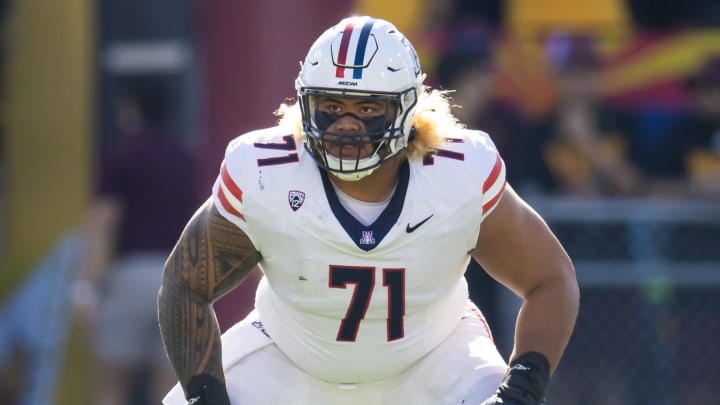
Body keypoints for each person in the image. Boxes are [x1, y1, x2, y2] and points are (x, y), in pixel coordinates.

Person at [159, 16, 579, 405]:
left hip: (434, 356)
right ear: (306, 104)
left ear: (408, 110)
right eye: (331, 106)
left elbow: (550, 279)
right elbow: (184, 285)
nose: (346, 125)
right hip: (290, 357)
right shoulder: (266, 173)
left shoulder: (458, 173)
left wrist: (522, 386)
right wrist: (206, 395)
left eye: (366, 109)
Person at [74, 76, 197, 405]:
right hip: (179, 279)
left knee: (112, 386)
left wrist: (86, 288)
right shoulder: (185, 157)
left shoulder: (120, 155)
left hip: (130, 275)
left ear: (132, 108)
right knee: (169, 391)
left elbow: (103, 224)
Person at [513, 32, 645, 197]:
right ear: (556, 78)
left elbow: (638, 188)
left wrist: (587, 140)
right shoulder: (537, 131)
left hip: (615, 221)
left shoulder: (622, 122)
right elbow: (527, 193)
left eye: (588, 72)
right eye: (571, 74)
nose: (581, 83)